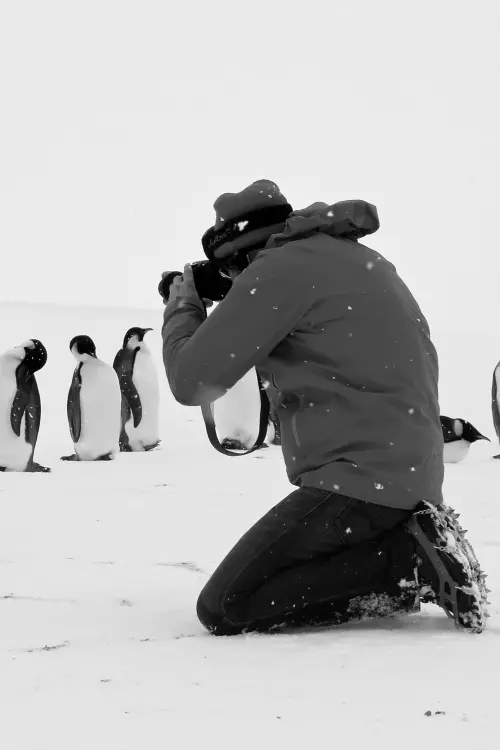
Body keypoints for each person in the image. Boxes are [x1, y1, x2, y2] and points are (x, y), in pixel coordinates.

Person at [160, 179, 487, 636]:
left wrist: (182, 306)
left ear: (241, 253)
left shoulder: (279, 271)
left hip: (359, 481)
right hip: (408, 471)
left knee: (227, 605)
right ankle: (407, 560)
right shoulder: (356, 260)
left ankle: (405, 563)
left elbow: (190, 381)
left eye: (233, 272)